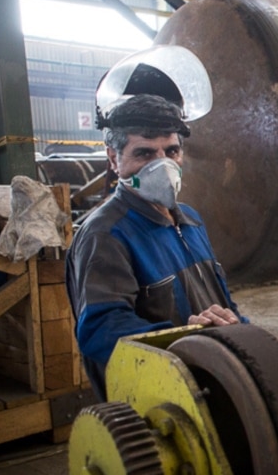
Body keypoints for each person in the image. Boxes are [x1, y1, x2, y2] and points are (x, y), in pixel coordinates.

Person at [66, 45, 245, 400]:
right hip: (156, 396)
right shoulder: (105, 235)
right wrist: (186, 337)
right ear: (114, 159)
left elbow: (221, 300)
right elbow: (101, 331)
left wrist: (241, 336)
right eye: (144, 153)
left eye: (171, 151)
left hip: (208, 376)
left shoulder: (190, 220)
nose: (161, 164)